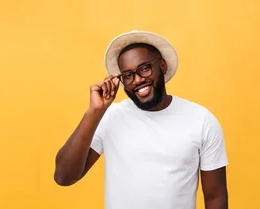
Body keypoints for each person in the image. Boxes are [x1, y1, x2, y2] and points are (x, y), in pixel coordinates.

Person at [53, 30, 229, 209]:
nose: (137, 80)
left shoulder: (201, 120)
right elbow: (64, 177)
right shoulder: (110, 117)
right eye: (128, 75)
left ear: (162, 66)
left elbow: (215, 196)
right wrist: (94, 112)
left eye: (144, 68)